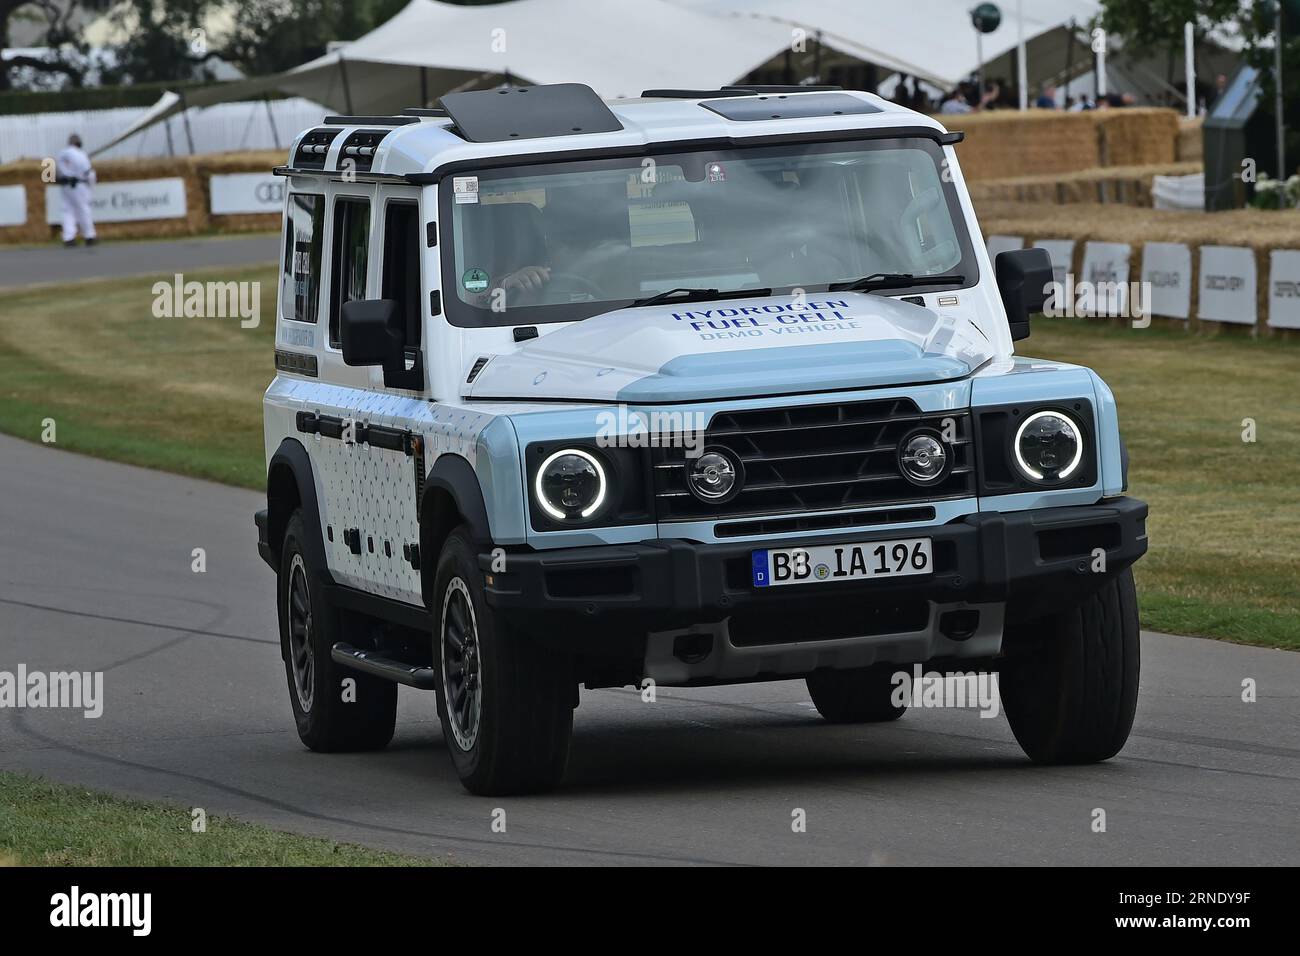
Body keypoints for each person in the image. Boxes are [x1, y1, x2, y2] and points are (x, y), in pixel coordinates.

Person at [55, 133, 97, 247]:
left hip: (65, 186)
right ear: (79, 143)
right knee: (83, 210)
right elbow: (88, 172)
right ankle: (89, 236)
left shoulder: (61, 154)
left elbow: (53, 172)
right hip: (79, 185)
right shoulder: (80, 154)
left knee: (67, 211)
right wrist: (91, 187)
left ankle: (68, 238)